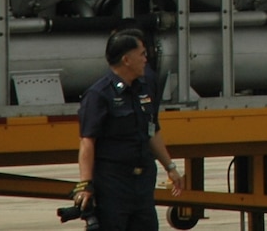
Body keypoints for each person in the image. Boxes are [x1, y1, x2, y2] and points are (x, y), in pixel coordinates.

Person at [71, 31, 187, 231]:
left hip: (142, 184)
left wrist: (170, 167)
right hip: (113, 185)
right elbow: (88, 141)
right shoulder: (99, 95)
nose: (145, 59)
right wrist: (85, 184)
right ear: (126, 59)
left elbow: (152, 130)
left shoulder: (145, 87)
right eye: (141, 54)